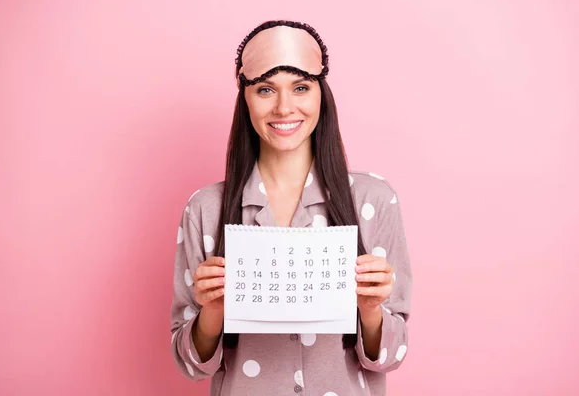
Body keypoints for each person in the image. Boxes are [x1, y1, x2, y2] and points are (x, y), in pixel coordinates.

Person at [170, 20, 412, 395]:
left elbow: (392, 356)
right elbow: (191, 365)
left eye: (300, 88)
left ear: (321, 95)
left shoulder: (374, 200)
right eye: (266, 89)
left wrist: (370, 310)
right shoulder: (206, 209)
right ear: (245, 98)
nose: (284, 107)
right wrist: (213, 312)